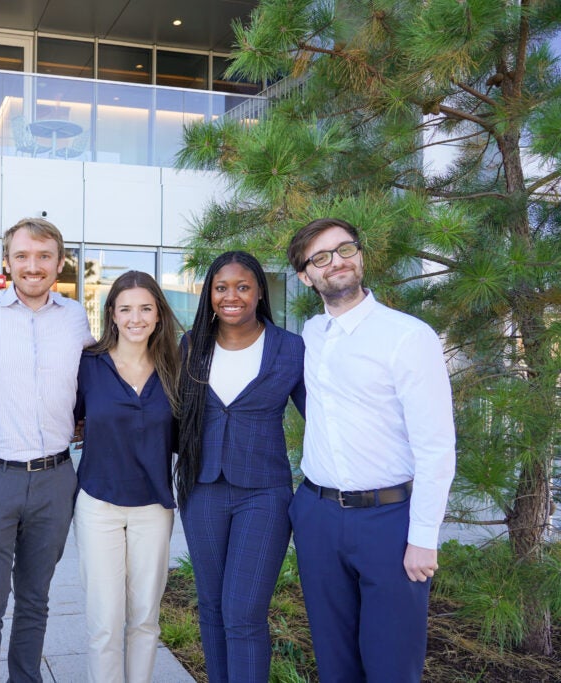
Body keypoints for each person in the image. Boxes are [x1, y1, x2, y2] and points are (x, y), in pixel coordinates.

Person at [286, 218, 455, 682]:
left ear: (360, 256)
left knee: (391, 664)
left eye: (344, 249)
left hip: (389, 521)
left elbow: (436, 444)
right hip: (318, 516)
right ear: (306, 276)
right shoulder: (310, 337)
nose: (336, 262)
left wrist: (424, 536)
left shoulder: (407, 336)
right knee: (334, 661)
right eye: (321, 257)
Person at [0, 217, 94, 683]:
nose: (33, 266)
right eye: (22, 256)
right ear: (8, 260)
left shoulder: (75, 316)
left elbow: (99, 377)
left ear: (59, 262)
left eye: (44, 256)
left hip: (56, 479)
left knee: (35, 599)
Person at [174, 250, 306, 683]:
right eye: (221, 287)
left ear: (259, 292)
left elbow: (321, 419)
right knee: (211, 607)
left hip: (263, 494)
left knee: (244, 611)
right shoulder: (192, 344)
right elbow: (170, 413)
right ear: (209, 293)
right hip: (203, 489)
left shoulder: (289, 347)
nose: (232, 296)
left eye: (243, 286)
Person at [72, 271, 181, 683]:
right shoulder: (89, 366)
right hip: (98, 504)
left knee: (145, 620)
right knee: (104, 623)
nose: (136, 318)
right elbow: (66, 416)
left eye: (145, 308)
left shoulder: (175, 368)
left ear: (158, 315)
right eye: (126, 309)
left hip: (153, 508)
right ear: (112, 315)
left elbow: (184, 434)